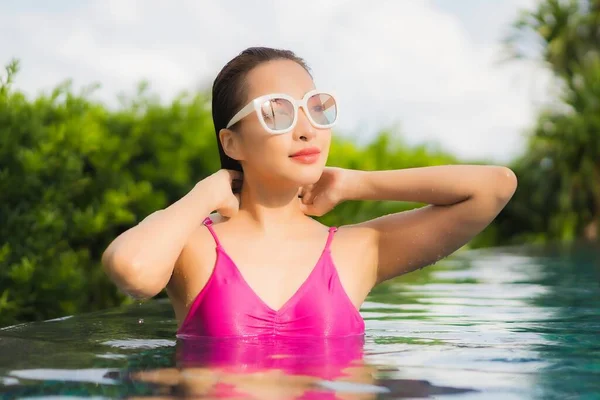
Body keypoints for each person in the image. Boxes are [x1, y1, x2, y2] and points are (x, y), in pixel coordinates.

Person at [101, 46, 517, 339]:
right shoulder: (195, 246)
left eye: (316, 107)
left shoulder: (357, 250)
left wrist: (357, 183)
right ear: (232, 144)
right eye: (276, 112)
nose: (305, 128)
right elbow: (132, 270)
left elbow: (495, 187)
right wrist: (204, 195)